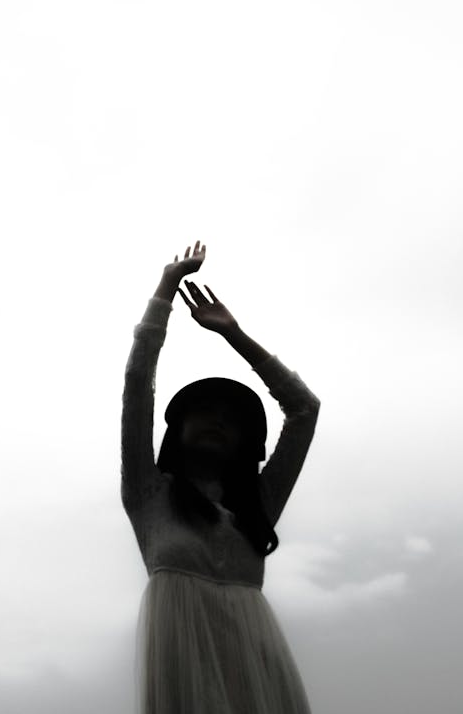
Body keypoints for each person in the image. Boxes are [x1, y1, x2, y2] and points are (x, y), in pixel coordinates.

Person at [121, 240, 321, 714]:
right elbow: (137, 386)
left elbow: (304, 410)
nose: (217, 420)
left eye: (231, 418)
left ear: (245, 441)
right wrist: (165, 290)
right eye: (204, 412)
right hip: (181, 666)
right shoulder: (150, 494)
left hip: (257, 659)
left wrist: (235, 335)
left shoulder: (258, 503)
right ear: (178, 429)